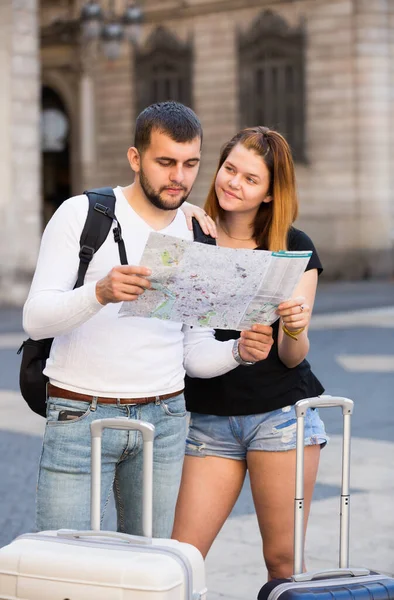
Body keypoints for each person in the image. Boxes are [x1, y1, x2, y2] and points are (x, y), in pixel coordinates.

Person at [23, 103, 274, 538]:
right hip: (79, 414)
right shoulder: (83, 214)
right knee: (61, 564)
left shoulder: (198, 232)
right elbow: (35, 320)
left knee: (147, 564)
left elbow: (194, 354)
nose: (179, 176)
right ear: (136, 159)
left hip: (165, 419)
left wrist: (238, 351)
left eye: (190, 164)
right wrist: (98, 293)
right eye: (166, 162)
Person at [172, 126, 329, 578]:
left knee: (282, 562)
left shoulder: (294, 247)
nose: (233, 183)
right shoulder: (190, 235)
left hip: (280, 417)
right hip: (208, 420)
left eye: (250, 179)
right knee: (180, 558)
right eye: (229, 169)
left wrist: (295, 328)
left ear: (268, 194)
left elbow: (294, 356)